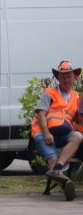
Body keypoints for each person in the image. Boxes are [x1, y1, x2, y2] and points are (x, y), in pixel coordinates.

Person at [32, 60, 81, 201]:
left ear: (74, 78)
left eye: (69, 76)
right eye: (63, 76)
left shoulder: (76, 97)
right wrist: (46, 133)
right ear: (58, 78)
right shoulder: (49, 93)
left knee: (77, 136)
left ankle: (57, 169)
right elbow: (41, 114)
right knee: (52, 158)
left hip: (63, 133)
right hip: (43, 132)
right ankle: (66, 184)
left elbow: (77, 120)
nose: (66, 79)